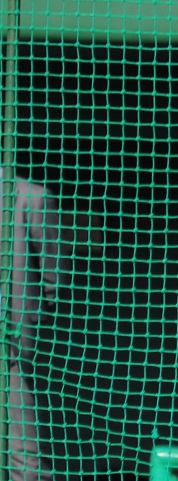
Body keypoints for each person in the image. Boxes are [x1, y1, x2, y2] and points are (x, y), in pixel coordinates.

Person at [4, 173, 66, 481]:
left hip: (14, 338)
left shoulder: (32, 197)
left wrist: (35, 319)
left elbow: (55, 275)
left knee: (23, 446)